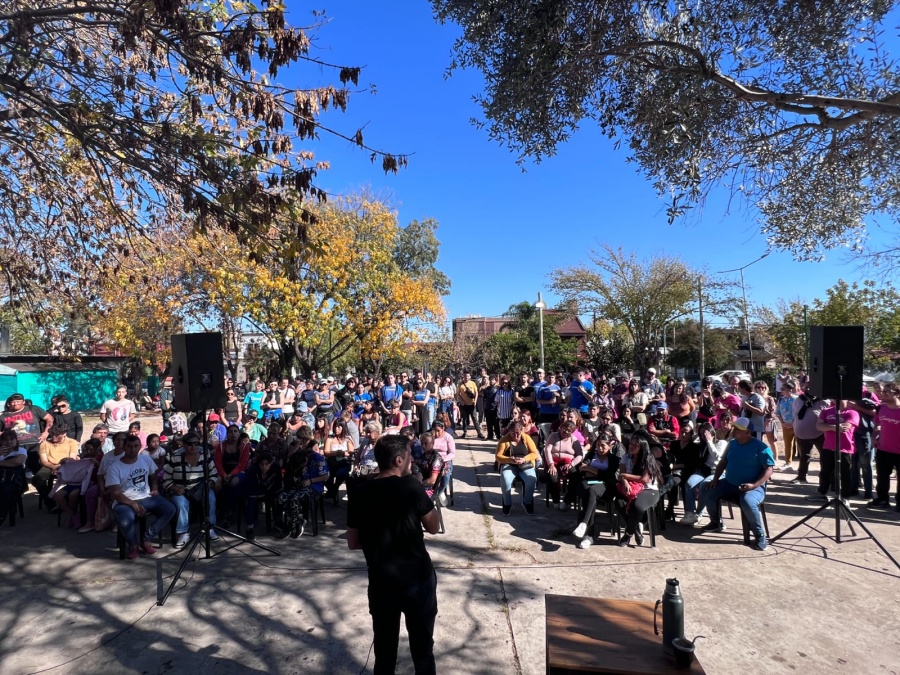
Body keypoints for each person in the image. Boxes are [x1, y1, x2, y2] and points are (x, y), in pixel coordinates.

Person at [346, 435, 440, 675]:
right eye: (409, 456)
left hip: (381, 582)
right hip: (417, 581)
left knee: (384, 654)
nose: (412, 460)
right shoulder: (411, 486)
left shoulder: (360, 492)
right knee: (422, 652)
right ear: (399, 460)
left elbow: (353, 542)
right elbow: (433, 526)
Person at [699, 417, 774, 550]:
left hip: (753, 487)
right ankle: (716, 522)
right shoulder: (732, 443)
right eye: (735, 427)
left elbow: (769, 469)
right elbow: (723, 462)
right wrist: (715, 479)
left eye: (738, 429)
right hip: (730, 483)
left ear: (748, 432)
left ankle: (759, 535)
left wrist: (754, 485)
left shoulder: (761, 447)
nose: (734, 430)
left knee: (748, 501)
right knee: (707, 489)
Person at [105, 435, 176, 559]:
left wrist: (154, 488)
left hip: (146, 496)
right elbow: (115, 493)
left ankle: (146, 539)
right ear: (124, 447)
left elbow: (153, 475)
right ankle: (133, 544)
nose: (132, 449)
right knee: (125, 520)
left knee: (170, 508)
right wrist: (132, 503)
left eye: (136, 446)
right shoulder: (114, 468)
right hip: (124, 501)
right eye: (129, 446)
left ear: (140, 447)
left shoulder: (145, 460)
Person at [163, 432, 220, 548]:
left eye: (196, 443)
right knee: (180, 503)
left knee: (211, 498)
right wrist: (175, 489)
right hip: (181, 490)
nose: (193, 447)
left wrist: (208, 484)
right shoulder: (174, 457)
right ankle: (183, 532)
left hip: (200, 488)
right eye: (190, 444)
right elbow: (166, 480)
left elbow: (214, 474)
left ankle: (209, 528)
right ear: (183, 444)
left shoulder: (205, 454)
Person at [572, 435, 621, 548]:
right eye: (598, 445)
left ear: (609, 446)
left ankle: (585, 528)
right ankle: (588, 534)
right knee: (589, 494)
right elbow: (581, 468)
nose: (600, 448)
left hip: (605, 486)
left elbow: (609, 475)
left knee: (591, 493)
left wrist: (590, 469)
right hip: (588, 483)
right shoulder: (591, 455)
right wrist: (597, 472)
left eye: (603, 446)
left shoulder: (613, 459)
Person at [616, 436, 663, 547]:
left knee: (637, 506)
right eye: (630, 444)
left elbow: (644, 479)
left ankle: (628, 534)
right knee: (618, 502)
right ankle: (636, 528)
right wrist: (625, 482)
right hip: (631, 487)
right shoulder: (626, 457)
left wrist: (626, 476)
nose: (631, 447)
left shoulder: (648, 458)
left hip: (648, 489)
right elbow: (621, 476)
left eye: (635, 445)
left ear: (642, 448)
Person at [810, 399, 859, 502]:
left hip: (845, 448)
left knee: (845, 473)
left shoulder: (852, 412)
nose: (836, 400)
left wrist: (827, 426)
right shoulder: (826, 411)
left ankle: (845, 497)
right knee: (825, 471)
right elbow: (819, 426)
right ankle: (822, 493)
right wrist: (833, 427)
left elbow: (845, 428)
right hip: (828, 446)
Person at [1, 393, 54, 480]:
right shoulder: (4, 416)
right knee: (17, 468)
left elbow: (49, 418)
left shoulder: (33, 409)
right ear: (9, 403)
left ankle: (43, 487)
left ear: (23, 402)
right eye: (13, 402)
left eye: (18, 401)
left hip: (35, 443)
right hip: (16, 446)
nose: (15, 404)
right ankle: (19, 488)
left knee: (37, 466)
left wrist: (46, 432)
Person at [495, 421, 539, 515]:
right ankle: (507, 503)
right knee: (505, 479)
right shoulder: (504, 440)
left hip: (525, 464)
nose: (515, 436)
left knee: (532, 479)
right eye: (513, 433)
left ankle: (527, 502)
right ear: (509, 431)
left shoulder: (526, 438)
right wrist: (509, 460)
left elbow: (534, 453)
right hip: (509, 464)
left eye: (518, 433)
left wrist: (524, 459)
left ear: (522, 430)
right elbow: (498, 456)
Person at [36, 423, 80, 509]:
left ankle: (65, 499)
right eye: (52, 435)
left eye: (56, 435)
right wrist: (53, 467)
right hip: (50, 465)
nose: (53, 437)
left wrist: (60, 466)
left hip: (67, 465)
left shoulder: (72, 442)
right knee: (37, 479)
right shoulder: (44, 444)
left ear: (64, 434)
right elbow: (44, 461)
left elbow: (71, 458)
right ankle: (50, 502)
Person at [870, 383, 900, 509]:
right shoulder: (881, 408)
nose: (884, 393)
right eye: (884, 391)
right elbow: (877, 424)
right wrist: (874, 437)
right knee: (882, 477)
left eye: (888, 391)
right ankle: (882, 499)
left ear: (897, 393)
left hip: (899, 451)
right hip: (883, 449)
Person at [543, 421, 584, 510]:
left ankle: (567, 501)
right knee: (551, 476)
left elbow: (580, 455)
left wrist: (571, 464)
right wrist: (551, 464)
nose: (565, 432)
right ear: (561, 427)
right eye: (564, 429)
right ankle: (556, 499)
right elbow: (547, 450)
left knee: (575, 476)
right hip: (554, 461)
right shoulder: (553, 436)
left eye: (569, 430)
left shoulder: (574, 439)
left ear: (572, 432)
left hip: (568, 463)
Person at [791, 389, 828, 485]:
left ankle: (825, 479)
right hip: (801, 434)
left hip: (819, 433)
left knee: (824, 456)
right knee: (804, 455)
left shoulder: (823, 400)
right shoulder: (799, 400)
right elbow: (795, 414)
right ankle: (801, 476)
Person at [0, 429, 27, 527]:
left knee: (5, 490)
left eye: (12, 440)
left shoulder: (21, 450)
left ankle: (2, 516)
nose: (9, 442)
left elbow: (17, 462)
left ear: (16, 440)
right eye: (5, 440)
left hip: (15, 480)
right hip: (1, 479)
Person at [776, 380, 799, 471]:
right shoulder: (781, 399)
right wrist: (782, 422)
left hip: (796, 425)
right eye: (782, 389)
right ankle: (788, 462)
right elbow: (778, 412)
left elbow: (800, 412)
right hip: (785, 425)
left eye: (784, 389)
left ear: (790, 390)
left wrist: (794, 423)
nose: (782, 391)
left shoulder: (797, 399)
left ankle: (802, 463)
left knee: (801, 445)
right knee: (788, 444)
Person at [456, 372, 482, 440]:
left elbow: (476, 393)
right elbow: (458, 394)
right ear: (463, 377)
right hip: (464, 405)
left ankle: (479, 433)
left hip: (472, 404)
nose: (466, 377)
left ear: (470, 377)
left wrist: (475, 401)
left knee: (474, 419)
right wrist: (461, 401)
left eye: (468, 376)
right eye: (465, 376)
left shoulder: (472, 383)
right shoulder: (460, 384)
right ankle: (464, 432)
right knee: (464, 419)